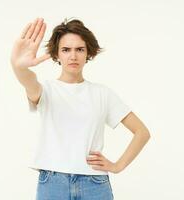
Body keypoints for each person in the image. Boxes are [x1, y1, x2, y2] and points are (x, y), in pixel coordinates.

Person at [10, 17, 151, 200]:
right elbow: (28, 81)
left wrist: (117, 165)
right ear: (57, 54)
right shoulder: (46, 90)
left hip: (94, 184)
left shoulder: (102, 93)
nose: (73, 56)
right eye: (66, 50)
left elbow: (142, 132)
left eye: (80, 49)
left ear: (88, 53)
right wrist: (18, 67)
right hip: (53, 184)